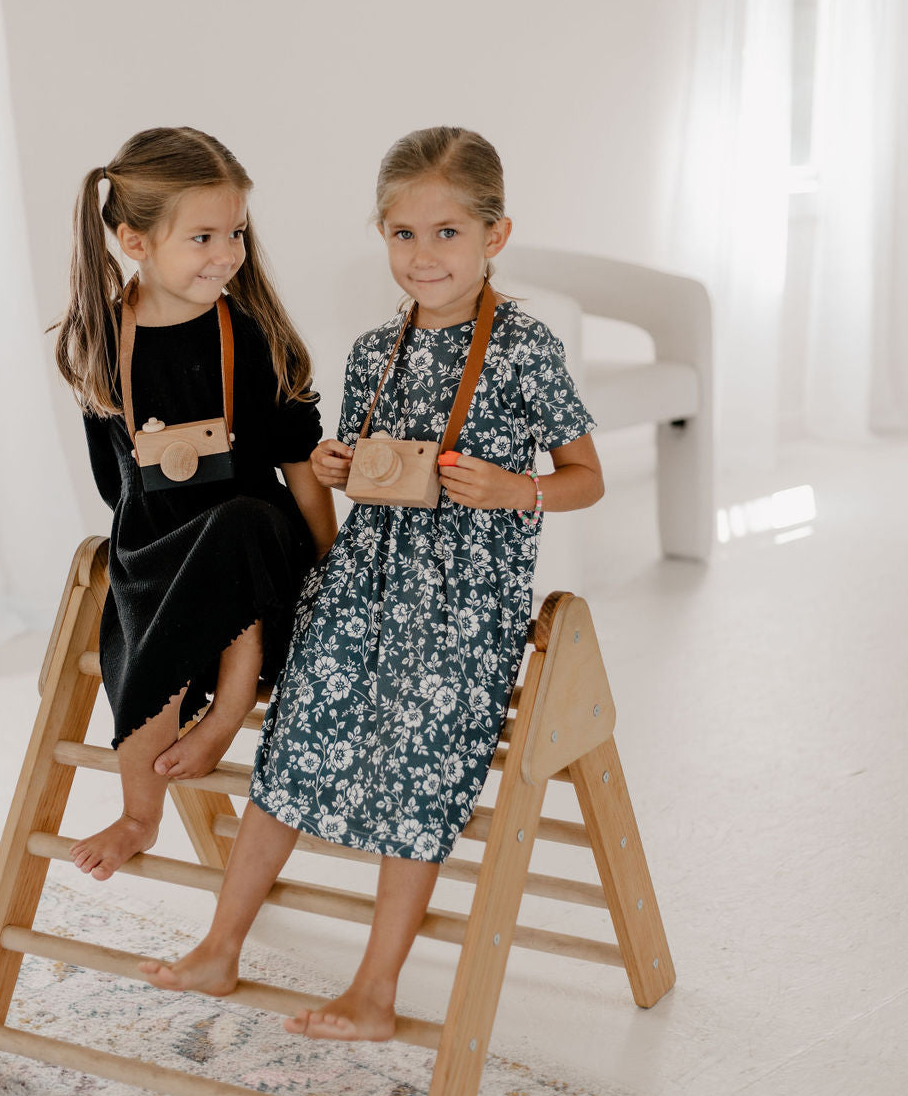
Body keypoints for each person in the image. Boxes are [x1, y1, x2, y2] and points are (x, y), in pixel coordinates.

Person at [141, 125, 603, 1038]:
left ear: (494, 237)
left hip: (462, 601)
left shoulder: (524, 346)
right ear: (381, 234)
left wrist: (517, 489)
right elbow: (356, 477)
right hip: (364, 579)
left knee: (419, 772)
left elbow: (587, 475)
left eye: (447, 234)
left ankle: (376, 989)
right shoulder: (369, 351)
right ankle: (220, 945)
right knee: (294, 744)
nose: (423, 256)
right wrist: (340, 463)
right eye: (402, 234)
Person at [53, 126, 336, 880]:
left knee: (235, 526)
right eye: (203, 236)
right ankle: (139, 813)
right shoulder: (100, 340)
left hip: (260, 540)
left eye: (236, 232)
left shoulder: (245, 331)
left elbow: (298, 462)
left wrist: (328, 561)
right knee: (144, 607)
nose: (228, 253)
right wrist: (141, 548)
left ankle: (229, 707)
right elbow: (116, 479)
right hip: (164, 539)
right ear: (133, 241)